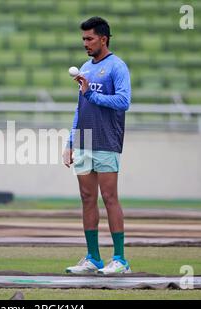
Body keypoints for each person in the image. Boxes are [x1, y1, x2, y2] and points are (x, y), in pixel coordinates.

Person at [63, 17, 132, 274]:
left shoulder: (117, 67)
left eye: (89, 38)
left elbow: (124, 101)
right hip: (83, 139)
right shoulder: (85, 67)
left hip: (106, 139)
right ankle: (93, 257)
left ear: (104, 39)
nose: (85, 43)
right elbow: (80, 107)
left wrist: (91, 94)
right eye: (83, 39)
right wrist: (70, 141)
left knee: (110, 197)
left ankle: (120, 259)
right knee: (87, 198)